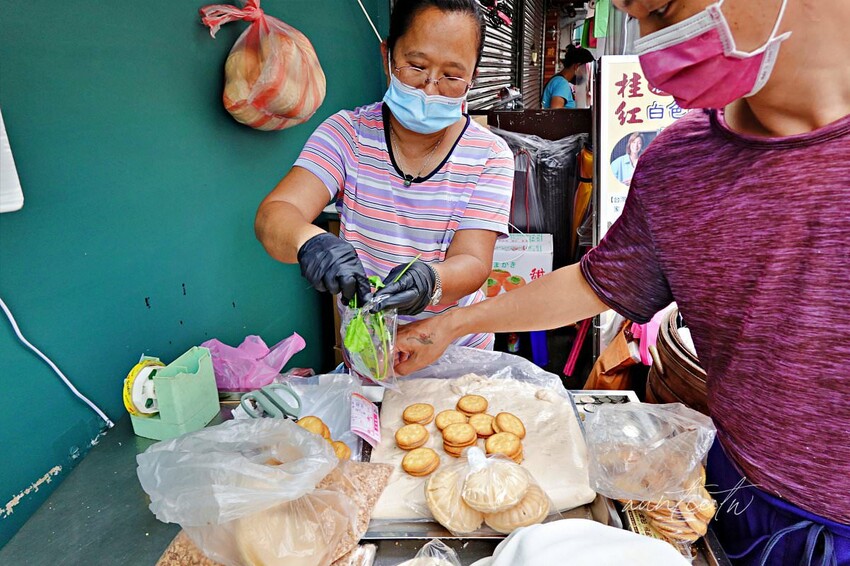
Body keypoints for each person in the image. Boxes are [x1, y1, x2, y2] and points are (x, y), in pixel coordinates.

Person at [394, 0, 850, 563]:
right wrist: (452, 323)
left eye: (663, 8)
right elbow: (597, 284)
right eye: (637, 19)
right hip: (736, 497)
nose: (652, 50)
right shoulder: (679, 164)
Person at [254, 0, 514, 350]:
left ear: (473, 78)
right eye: (416, 66)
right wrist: (310, 242)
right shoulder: (348, 134)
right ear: (387, 56)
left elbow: (473, 261)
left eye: (452, 76)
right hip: (371, 349)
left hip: (457, 351)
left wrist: (431, 280)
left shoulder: (490, 155)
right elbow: (275, 215)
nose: (430, 88)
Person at [541, 44, 595, 109]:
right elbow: (556, 112)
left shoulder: (558, 80)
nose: (586, 76)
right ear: (577, 66)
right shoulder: (561, 83)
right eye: (586, 71)